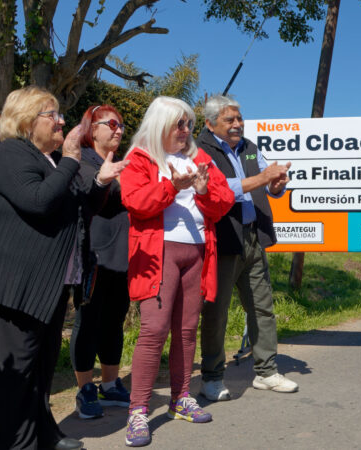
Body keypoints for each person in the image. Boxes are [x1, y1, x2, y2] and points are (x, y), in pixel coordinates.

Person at [0, 86, 127, 450]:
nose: (62, 121)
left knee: (42, 369)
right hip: (20, 284)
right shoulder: (12, 153)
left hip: (52, 283)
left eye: (60, 115)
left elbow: (79, 208)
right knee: (20, 374)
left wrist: (101, 182)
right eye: (53, 115)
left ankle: (44, 432)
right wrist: (73, 159)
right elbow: (39, 202)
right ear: (28, 122)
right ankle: (19, 443)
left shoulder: (49, 159)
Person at [120, 96, 233, 447]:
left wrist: (201, 192)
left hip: (197, 251)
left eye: (188, 123)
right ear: (160, 125)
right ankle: (138, 410)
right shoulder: (140, 158)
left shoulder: (200, 158)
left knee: (186, 329)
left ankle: (180, 398)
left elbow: (224, 200)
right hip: (159, 252)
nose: (186, 131)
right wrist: (173, 186)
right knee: (153, 330)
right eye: (179, 124)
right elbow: (137, 203)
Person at [198, 95, 297, 400]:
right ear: (210, 123)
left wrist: (276, 185)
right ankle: (212, 377)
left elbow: (268, 184)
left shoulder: (250, 148)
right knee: (216, 313)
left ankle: (266, 372)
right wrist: (260, 179)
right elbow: (218, 189)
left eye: (239, 118)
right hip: (223, 238)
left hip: (253, 237)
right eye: (230, 120)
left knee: (262, 307)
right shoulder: (200, 150)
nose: (238, 124)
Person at [70, 104, 133, 419]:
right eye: (112, 123)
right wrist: (103, 179)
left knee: (114, 322)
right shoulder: (81, 162)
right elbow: (85, 200)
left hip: (122, 257)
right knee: (88, 323)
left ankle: (110, 385)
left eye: (121, 125)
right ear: (92, 128)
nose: (118, 129)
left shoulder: (123, 163)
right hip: (92, 257)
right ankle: (85, 389)